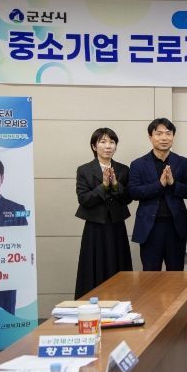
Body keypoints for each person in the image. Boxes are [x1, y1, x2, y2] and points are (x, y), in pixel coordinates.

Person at [74, 128, 133, 299]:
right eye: (103, 142)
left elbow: (128, 198)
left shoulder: (123, 169)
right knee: (94, 266)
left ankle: (120, 303)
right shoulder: (84, 170)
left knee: (118, 264)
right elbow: (84, 199)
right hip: (94, 227)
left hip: (117, 226)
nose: (108, 146)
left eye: (112, 142)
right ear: (94, 146)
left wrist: (115, 184)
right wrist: (104, 186)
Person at [128, 118, 187, 271]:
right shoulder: (138, 164)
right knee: (150, 275)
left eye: (168, 133)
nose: (164, 138)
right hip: (149, 227)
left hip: (176, 227)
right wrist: (159, 185)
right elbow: (133, 192)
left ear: (173, 136)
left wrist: (173, 183)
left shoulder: (182, 162)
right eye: (159, 134)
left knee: (176, 274)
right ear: (150, 137)